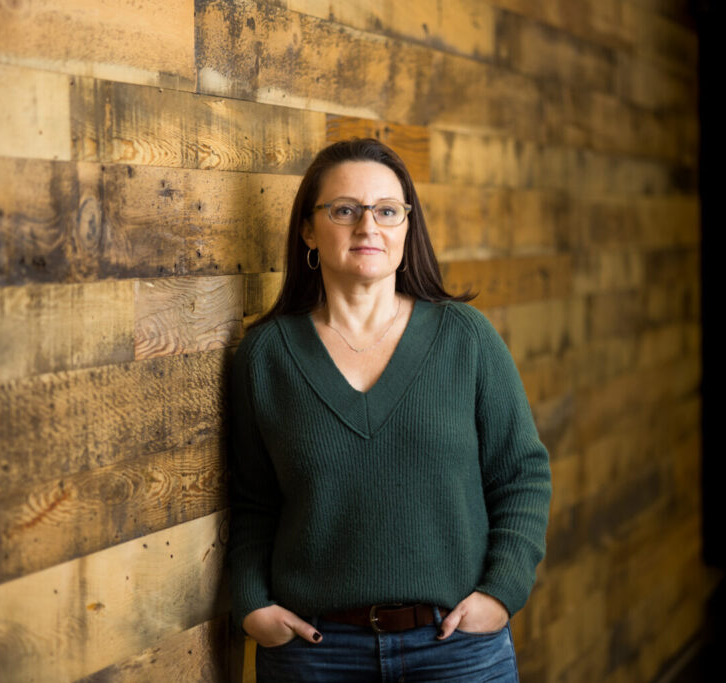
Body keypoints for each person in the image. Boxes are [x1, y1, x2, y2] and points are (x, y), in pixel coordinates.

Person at [227, 138, 551, 681]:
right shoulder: (267, 356)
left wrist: (503, 591)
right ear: (309, 230)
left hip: (455, 650)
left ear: (406, 226)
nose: (367, 227)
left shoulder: (464, 338)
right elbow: (252, 501)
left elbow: (521, 475)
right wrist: (252, 602)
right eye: (344, 210)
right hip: (315, 654)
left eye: (386, 211)